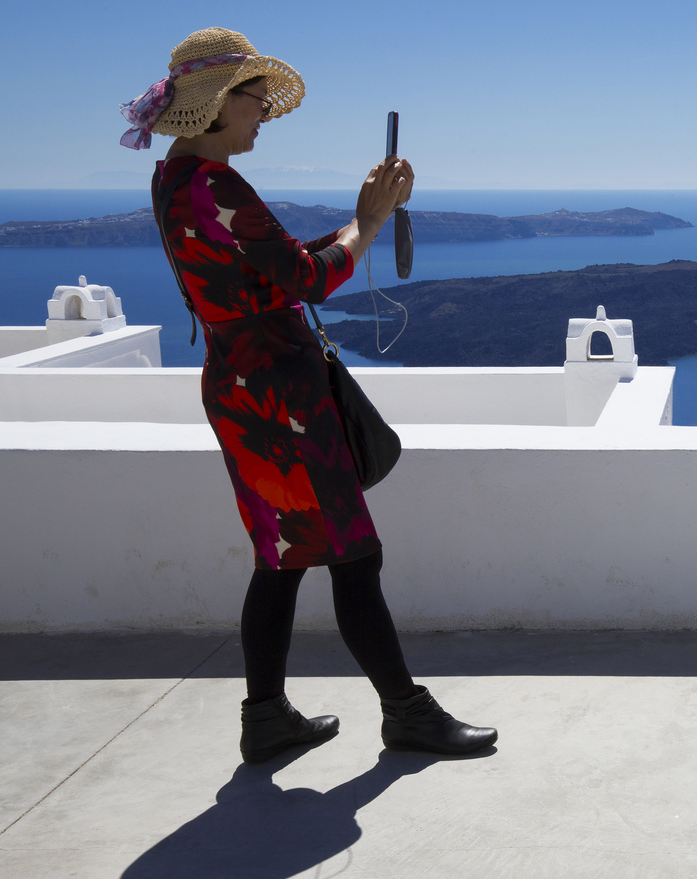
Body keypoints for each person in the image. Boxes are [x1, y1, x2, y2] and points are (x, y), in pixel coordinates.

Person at [123, 27, 495, 761]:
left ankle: (265, 719)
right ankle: (407, 713)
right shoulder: (218, 185)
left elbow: (276, 265)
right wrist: (370, 219)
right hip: (282, 397)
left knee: (282, 554)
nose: (264, 114)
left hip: (237, 385)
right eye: (256, 102)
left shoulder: (174, 179)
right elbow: (306, 279)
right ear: (219, 106)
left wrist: (362, 218)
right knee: (354, 555)